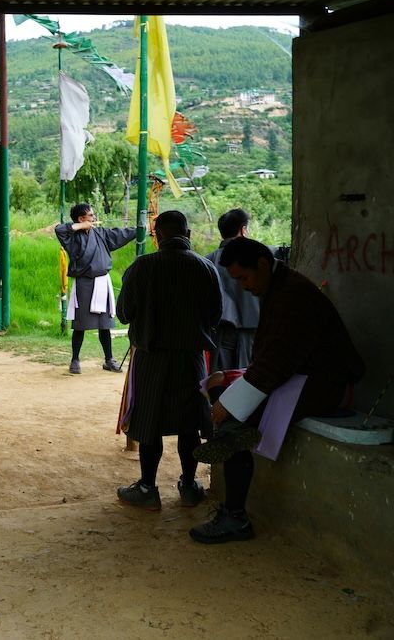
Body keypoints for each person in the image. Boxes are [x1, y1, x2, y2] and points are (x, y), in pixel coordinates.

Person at [190, 237, 365, 544]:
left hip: (324, 386)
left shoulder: (292, 294)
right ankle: (231, 444)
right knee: (222, 391)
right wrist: (232, 382)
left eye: (244, 277)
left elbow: (276, 362)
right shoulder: (280, 287)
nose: (243, 286)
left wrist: (232, 403)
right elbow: (273, 358)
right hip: (300, 376)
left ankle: (235, 517)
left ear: (261, 264)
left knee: (233, 419)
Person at [115, 211, 221, 511]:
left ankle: (148, 487)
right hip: (191, 359)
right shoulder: (206, 268)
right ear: (187, 233)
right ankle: (188, 486)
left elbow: (123, 313)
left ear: (157, 235)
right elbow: (215, 316)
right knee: (189, 424)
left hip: (151, 358)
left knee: (149, 422)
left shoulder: (142, 267)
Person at [54, 203, 135, 374]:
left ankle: (109, 359)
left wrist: (141, 229)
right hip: (84, 283)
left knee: (104, 324)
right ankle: (75, 360)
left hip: (102, 282)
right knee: (80, 325)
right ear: (81, 219)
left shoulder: (100, 233)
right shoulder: (72, 237)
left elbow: (120, 234)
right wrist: (79, 227)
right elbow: (60, 229)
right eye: (90, 216)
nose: (94, 218)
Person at [207, 209, 260, 372]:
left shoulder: (208, 261)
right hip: (251, 333)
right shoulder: (260, 256)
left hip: (220, 333)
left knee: (221, 381)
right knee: (246, 379)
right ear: (243, 230)